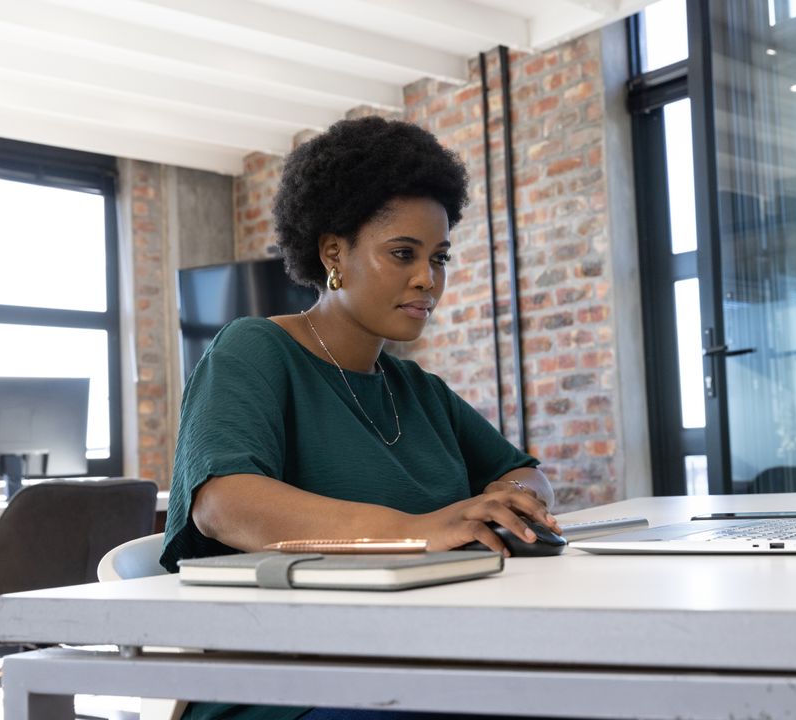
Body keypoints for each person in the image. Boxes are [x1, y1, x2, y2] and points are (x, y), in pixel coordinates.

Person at [161, 116, 560, 720]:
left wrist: (510, 502)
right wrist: (419, 529)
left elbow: (524, 472)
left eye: (439, 257)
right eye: (403, 254)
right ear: (333, 254)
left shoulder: (416, 388)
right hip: (291, 681)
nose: (429, 279)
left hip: (423, 656)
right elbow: (224, 504)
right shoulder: (254, 349)